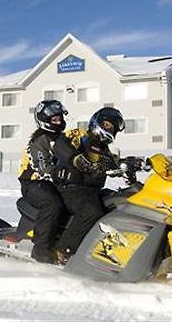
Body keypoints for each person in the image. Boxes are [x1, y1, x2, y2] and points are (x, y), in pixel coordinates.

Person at [51, 107, 126, 261]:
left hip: (90, 191)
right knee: (91, 210)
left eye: (112, 128)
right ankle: (63, 250)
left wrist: (132, 164)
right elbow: (58, 144)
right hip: (69, 189)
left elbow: (112, 165)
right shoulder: (79, 136)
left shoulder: (103, 150)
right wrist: (75, 157)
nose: (109, 129)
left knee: (120, 201)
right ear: (96, 121)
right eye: (106, 125)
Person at [18, 100, 69, 264]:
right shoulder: (40, 139)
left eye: (60, 118)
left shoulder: (62, 138)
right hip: (33, 183)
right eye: (55, 120)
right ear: (44, 120)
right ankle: (40, 249)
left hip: (53, 182)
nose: (59, 122)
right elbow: (42, 166)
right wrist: (57, 172)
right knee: (52, 204)